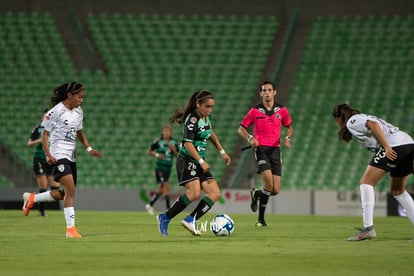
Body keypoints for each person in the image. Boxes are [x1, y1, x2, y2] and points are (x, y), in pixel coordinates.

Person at [22, 82, 102, 238]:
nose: (81, 100)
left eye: (83, 97)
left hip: (71, 156)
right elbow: (45, 134)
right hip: (58, 155)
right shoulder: (55, 112)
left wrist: (89, 148)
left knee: (66, 193)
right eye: (79, 97)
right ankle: (70, 230)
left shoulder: (79, 112)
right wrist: (48, 155)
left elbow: (79, 132)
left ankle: (32, 198)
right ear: (70, 95)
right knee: (70, 191)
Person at [333, 103, 414, 241]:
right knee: (398, 191)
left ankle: (368, 229)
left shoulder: (352, 121)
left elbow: (373, 125)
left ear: (337, 119)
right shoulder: (360, 118)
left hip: (394, 145)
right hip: (408, 143)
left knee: (366, 182)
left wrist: (387, 147)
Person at [156, 90, 231, 237]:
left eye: (212, 107)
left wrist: (222, 152)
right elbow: (188, 144)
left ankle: (191, 219)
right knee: (194, 194)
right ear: (198, 104)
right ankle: (164, 217)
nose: (209, 110)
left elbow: (211, 133)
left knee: (214, 193)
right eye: (207, 106)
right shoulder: (192, 120)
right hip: (187, 160)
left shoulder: (205, 118)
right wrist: (201, 161)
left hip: (198, 162)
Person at [238, 80, 294, 227]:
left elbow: (289, 127)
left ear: (274, 92)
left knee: (275, 190)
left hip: (275, 151)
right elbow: (241, 129)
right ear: (261, 93)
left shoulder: (282, 110)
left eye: (269, 90)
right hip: (261, 150)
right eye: (264, 90)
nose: (267, 92)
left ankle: (256, 194)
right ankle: (261, 219)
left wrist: (288, 138)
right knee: (268, 182)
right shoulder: (254, 111)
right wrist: (250, 138)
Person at [25, 108, 61, 217]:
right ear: (43, 117)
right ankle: (41, 211)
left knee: (55, 184)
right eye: (46, 116)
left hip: (51, 160)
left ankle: (32, 199)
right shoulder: (38, 129)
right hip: (40, 159)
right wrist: (38, 140)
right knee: (44, 185)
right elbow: (29, 143)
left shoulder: (54, 129)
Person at [145, 125, 179, 215]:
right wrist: (157, 155)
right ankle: (168, 208)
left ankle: (150, 204)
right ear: (162, 133)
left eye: (168, 131)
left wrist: (174, 150)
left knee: (160, 189)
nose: (167, 133)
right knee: (166, 186)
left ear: (171, 133)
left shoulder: (174, 142)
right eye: (165, 131)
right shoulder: (158, 141)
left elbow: (178, 156)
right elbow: (148, 151)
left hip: (168, 168)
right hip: (159, 168)